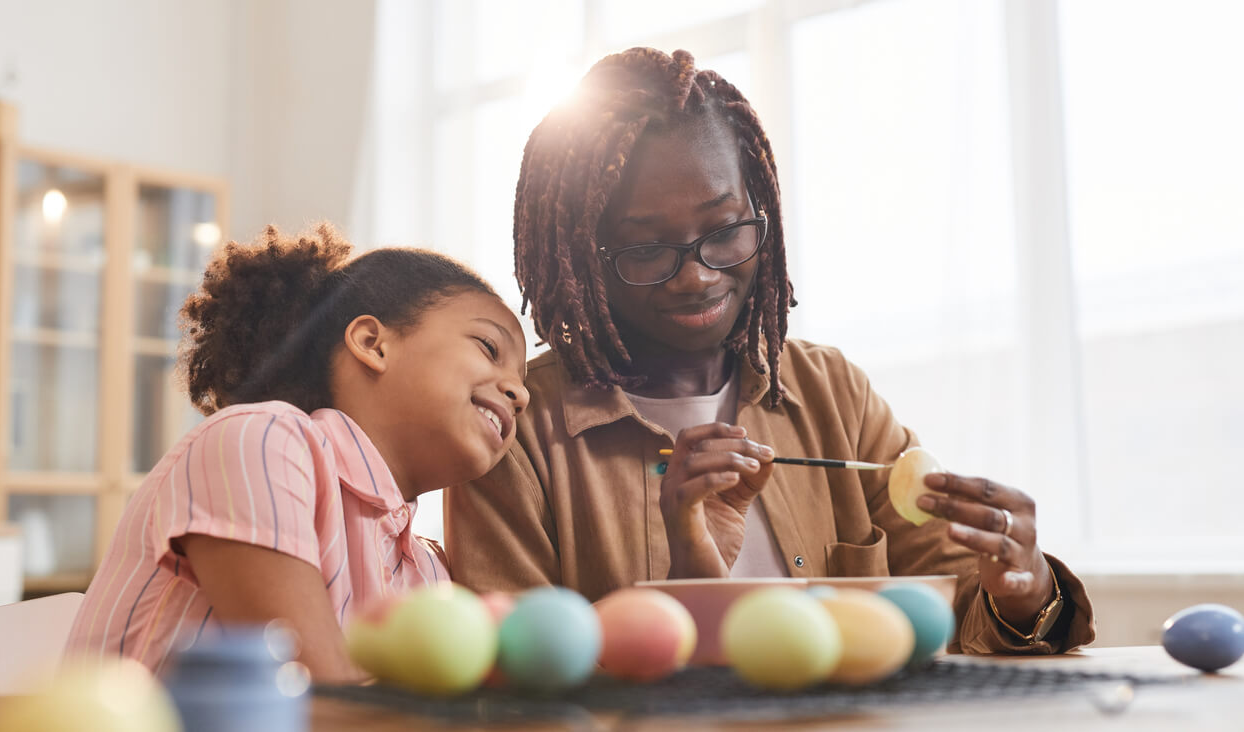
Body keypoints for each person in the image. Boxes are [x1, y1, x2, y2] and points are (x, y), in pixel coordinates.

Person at [445, 47, 1095, 654]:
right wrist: (688, 585)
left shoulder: (830, 390)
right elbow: (510, 682)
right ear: (579, 256)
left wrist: (1024, 589)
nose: (697, 275)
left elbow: (959, 617)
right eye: (646, 249)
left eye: (725, 230)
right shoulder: (514, 433)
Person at [66, 223, 529, 680]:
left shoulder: (427, 570)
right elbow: (317, 698)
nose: (521, 394)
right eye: (489, 347)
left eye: (523, 381)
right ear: (372, 344)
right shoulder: (257, 442)